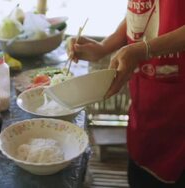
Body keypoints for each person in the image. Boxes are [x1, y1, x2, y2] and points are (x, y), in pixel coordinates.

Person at [68, 0, 185, 187]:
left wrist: (143, 49)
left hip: (179, 105)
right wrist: (104, 47)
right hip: (146, 100)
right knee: (141, 174)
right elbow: (141, 11)